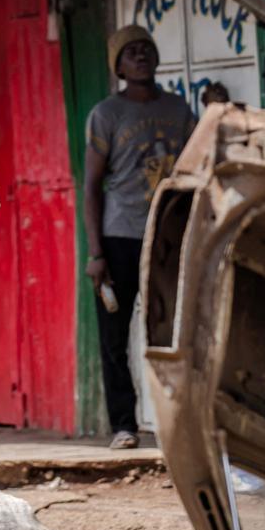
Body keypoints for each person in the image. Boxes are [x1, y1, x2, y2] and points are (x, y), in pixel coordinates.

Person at [84, 25, 196, 451]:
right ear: (119, 65)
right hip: (120, 236)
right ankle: (124, 425)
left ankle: (175, 422)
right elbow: (92, 185)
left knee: (169, 332)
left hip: (168, 235)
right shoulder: (106, 114)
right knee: (114, 337)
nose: (140, 56)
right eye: (130, 51)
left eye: (146, 49)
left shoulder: (179, 109)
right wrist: (96, 252)